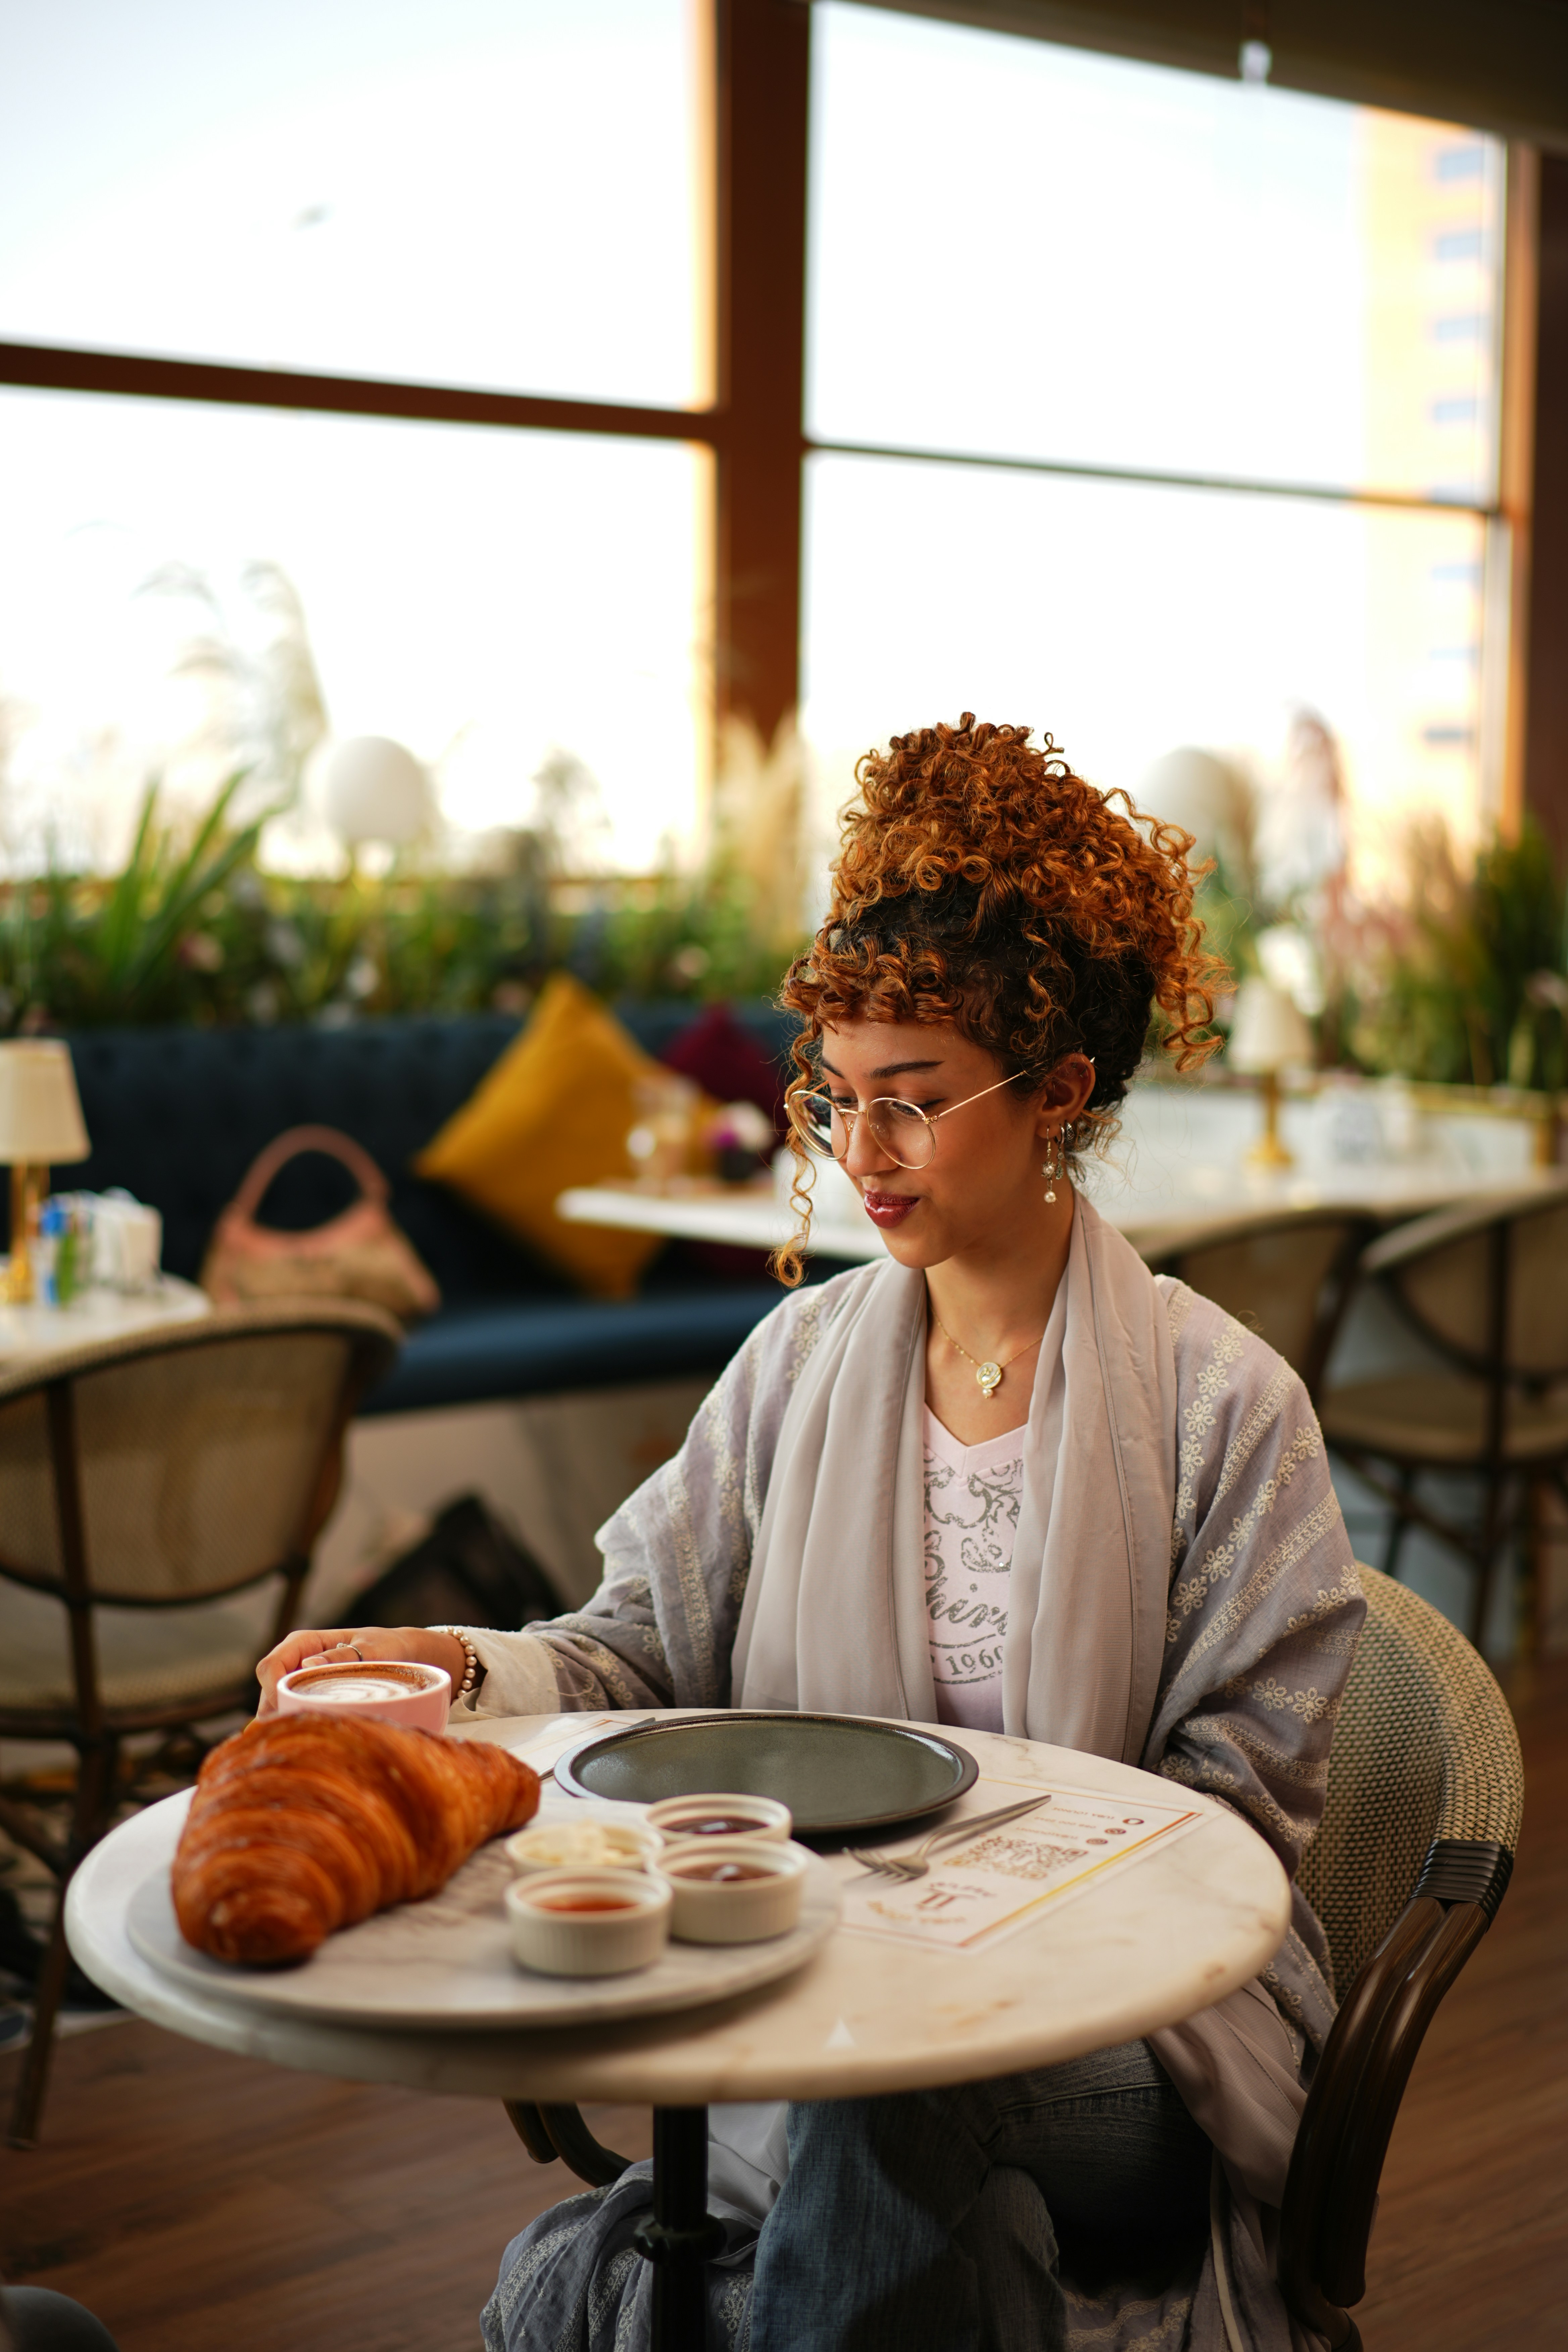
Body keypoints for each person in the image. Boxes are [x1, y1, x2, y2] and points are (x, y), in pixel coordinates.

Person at [258, 717, 1364, 2352]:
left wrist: (946, 1923)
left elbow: (1234, 1823)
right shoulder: (799, 1364)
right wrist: (458, 1662)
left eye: (914, 1104)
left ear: (1059, 1092)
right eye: (835, 1099)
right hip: (815, 1953)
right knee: (900, 2139)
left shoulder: (1222, 1407)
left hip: (1137, 2031)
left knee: (883, 2086)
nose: (860, 1155)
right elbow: (639, 1647)